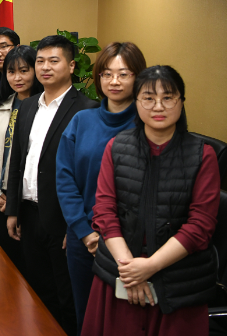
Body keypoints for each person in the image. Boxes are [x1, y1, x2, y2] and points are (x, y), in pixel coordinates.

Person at [83, 66, 220, 336]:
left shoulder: (203, 155)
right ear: (136, 102)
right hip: (119, 272)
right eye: (148, 98)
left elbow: (200, 225)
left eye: (168, 97)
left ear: (181, 101)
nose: (158, 106)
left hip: (177, 282)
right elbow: (105, 212)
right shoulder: (116, 146)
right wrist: (129, 269)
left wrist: (150, 267)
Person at [5, 35, 99, 336]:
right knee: (36, 291)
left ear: (71, 66)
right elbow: (18, 160)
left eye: (54, 61)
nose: (45, 67)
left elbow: (89, 176)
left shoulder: (87, 110)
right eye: (41, 61)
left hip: (64, 220)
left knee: (68, 297)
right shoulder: (27, 106)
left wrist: (77, 226)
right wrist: (13, 209)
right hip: (29, 214)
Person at [56, 42, 146, 335]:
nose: (114, 81)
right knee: (86, 315)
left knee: (126, 321)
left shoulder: (148, 125)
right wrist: (83, 231)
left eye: (124, 74)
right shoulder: (82, 120)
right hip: (84, 237)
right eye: (107, 74)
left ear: (138, 77)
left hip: (132, 242)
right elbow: (65, 179)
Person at [0, 45, 43, 275]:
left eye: (24, 71)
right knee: (0, 263)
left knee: (29, 266)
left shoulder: (44, 109)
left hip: (29, 201)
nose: (17, 78)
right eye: (11, 72)